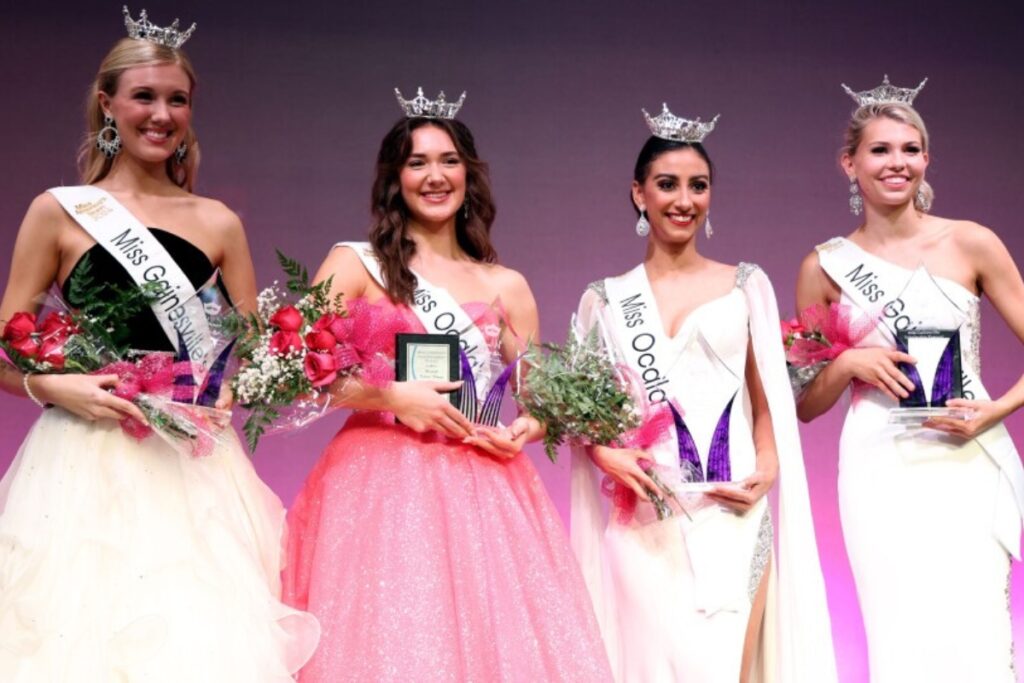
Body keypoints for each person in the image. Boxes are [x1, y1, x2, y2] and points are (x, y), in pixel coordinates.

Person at [0, 9, 318, 681]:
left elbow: (250, 351)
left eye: (177, 99)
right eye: (144, 95)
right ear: (107, 103)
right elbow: (7, 346)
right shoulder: (58, 210)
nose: (161, 113)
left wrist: (235, 383)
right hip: (84, 455)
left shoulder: (218, 222)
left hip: (193, 460)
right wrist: (57, 386)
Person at [283, 87, 612, 682]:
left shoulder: (507, 284)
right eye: (417, 163)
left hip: (483, 480)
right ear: (395, 180)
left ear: (469, 175)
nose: (434, 176)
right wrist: (388, 396)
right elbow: (295, 369)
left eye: (448, 161)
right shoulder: (358, 263)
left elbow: (544, 401)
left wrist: (528, 428)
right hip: (378, 483)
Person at [570, 104, 837, 682]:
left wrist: (767, 467)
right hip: (644, 519)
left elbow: (766, 400)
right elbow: (583, 418)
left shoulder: (746, 285)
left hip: (730, 512)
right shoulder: (607, 299)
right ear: (639, 193)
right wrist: (602, 453)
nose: (683, 200)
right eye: (667, 185)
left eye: (699, 185)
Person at [795, 75, 1024, 682]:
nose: (897, 163)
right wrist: (846, 364)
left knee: (974, 628)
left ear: (925, 159)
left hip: (965, 452)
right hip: (879, 467)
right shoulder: (825, 266)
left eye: (909, 149)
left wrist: (997, 409)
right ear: (849, 164)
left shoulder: (970, 241)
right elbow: (806, 404)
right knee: (899, 635)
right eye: (879, 150)